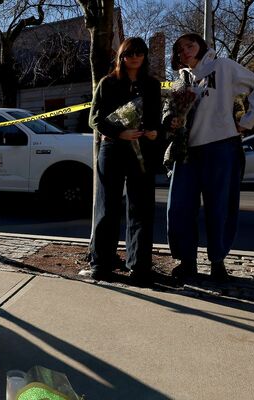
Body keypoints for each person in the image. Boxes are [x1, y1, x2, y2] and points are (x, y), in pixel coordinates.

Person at [164, 33, 254, 282]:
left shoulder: (223, 66)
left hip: (221, 147)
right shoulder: (180, 81)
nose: (185, 51)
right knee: (178, 209)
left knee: (220, 208)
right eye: (179, 49)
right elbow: (169, 113)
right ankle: (187, 262)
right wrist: (171, 121)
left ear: (201, 46)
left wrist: (247, 122)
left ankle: (218, 262)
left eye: (189, 45)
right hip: (187, 152)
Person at [87, 37, 163, 285]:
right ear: (121, 56)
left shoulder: (152, 85)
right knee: (107, 206)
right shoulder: (108, 83)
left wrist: (154, 132)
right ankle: (101, 263)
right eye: (129, 53)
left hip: (142, 150)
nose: (135, 57)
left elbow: (156, 118)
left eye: (139, 52)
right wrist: (119, 132)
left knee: (141, 208)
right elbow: (95, 119)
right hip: (113, 148)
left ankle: (140, 265)